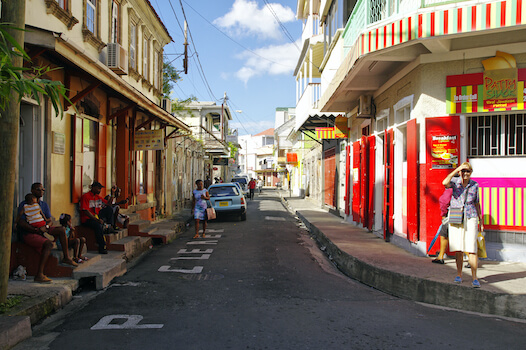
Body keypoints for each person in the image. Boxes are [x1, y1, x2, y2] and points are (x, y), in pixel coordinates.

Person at [16, 183, 78, 283]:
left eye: (43, 190)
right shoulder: (25, 205)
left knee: (61, 230)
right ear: (32, 190)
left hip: (43, 227)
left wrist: (46, 227)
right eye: (38, 189)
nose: (41, 191)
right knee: (48, 244)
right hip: (29, 232)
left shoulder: (43, 205)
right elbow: (21, 222)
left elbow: (49, 219)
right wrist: (36, 230)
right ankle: (39, 274)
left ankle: (66, 257)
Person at [442, 162, 483, 288]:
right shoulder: (455, 182)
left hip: (471, 216)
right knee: (458, 248)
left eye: (468, 171)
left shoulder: (474, 185)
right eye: (463, 171)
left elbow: (477, 203)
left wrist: (480, 220)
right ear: (460, 172)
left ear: (471, 173)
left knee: (472, 248)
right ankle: (459, 274)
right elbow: (444, 182)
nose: (465, 173)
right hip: (456, 216)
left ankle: (474, 277)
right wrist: (457, 169)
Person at [79, 181, 115, 254]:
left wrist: (113, 193)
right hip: (87, 219)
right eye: (98, 188)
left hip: (96, 216)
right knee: (98, 226)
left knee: (109, 209)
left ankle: (109, 226)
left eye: (100, 189)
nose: (99, 190)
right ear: (93, 188)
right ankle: (102, 247)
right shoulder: (86, 196)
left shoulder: (97, 197)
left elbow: (109, 204)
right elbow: (85, 211)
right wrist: (96, 220)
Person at [431, 188, 453, 264]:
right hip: (460, 215)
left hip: (450, 216)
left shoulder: (450, 190)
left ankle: (441, 256)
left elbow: (444, 202)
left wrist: (443, 214)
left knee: (444, 235)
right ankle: (440, 256)